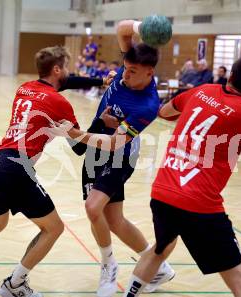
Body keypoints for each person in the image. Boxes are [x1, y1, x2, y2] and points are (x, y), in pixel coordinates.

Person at [0, 46, 114, 297]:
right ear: (58, 69)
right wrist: (101, 123)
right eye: (67, 68)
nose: (70, 74)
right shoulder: (58, 102)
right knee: (54, 228)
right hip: (16, 167)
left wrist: (99, 80)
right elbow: (80, 149)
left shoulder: (25, 88)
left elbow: (64, 81)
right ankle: (15, 284)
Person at [118, 55, 241, 297]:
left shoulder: (202, 90)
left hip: (163, 191)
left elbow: (165, 112)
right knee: (238, 277)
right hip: (199, 204)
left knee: (161, 247)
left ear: (230, 75)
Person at [53, 19, 175, 297]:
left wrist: (76, 134)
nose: (125, 76)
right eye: (125, 68)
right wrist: (144, 27)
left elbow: (116, 143)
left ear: (149, 73)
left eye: (132, 72)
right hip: (96, 147)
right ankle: (158, 266)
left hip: (119, 155)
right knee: (115, 220)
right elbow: (122, 28)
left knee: (94, 208)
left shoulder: (147, 105)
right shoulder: (126, 71)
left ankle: (109, 267)